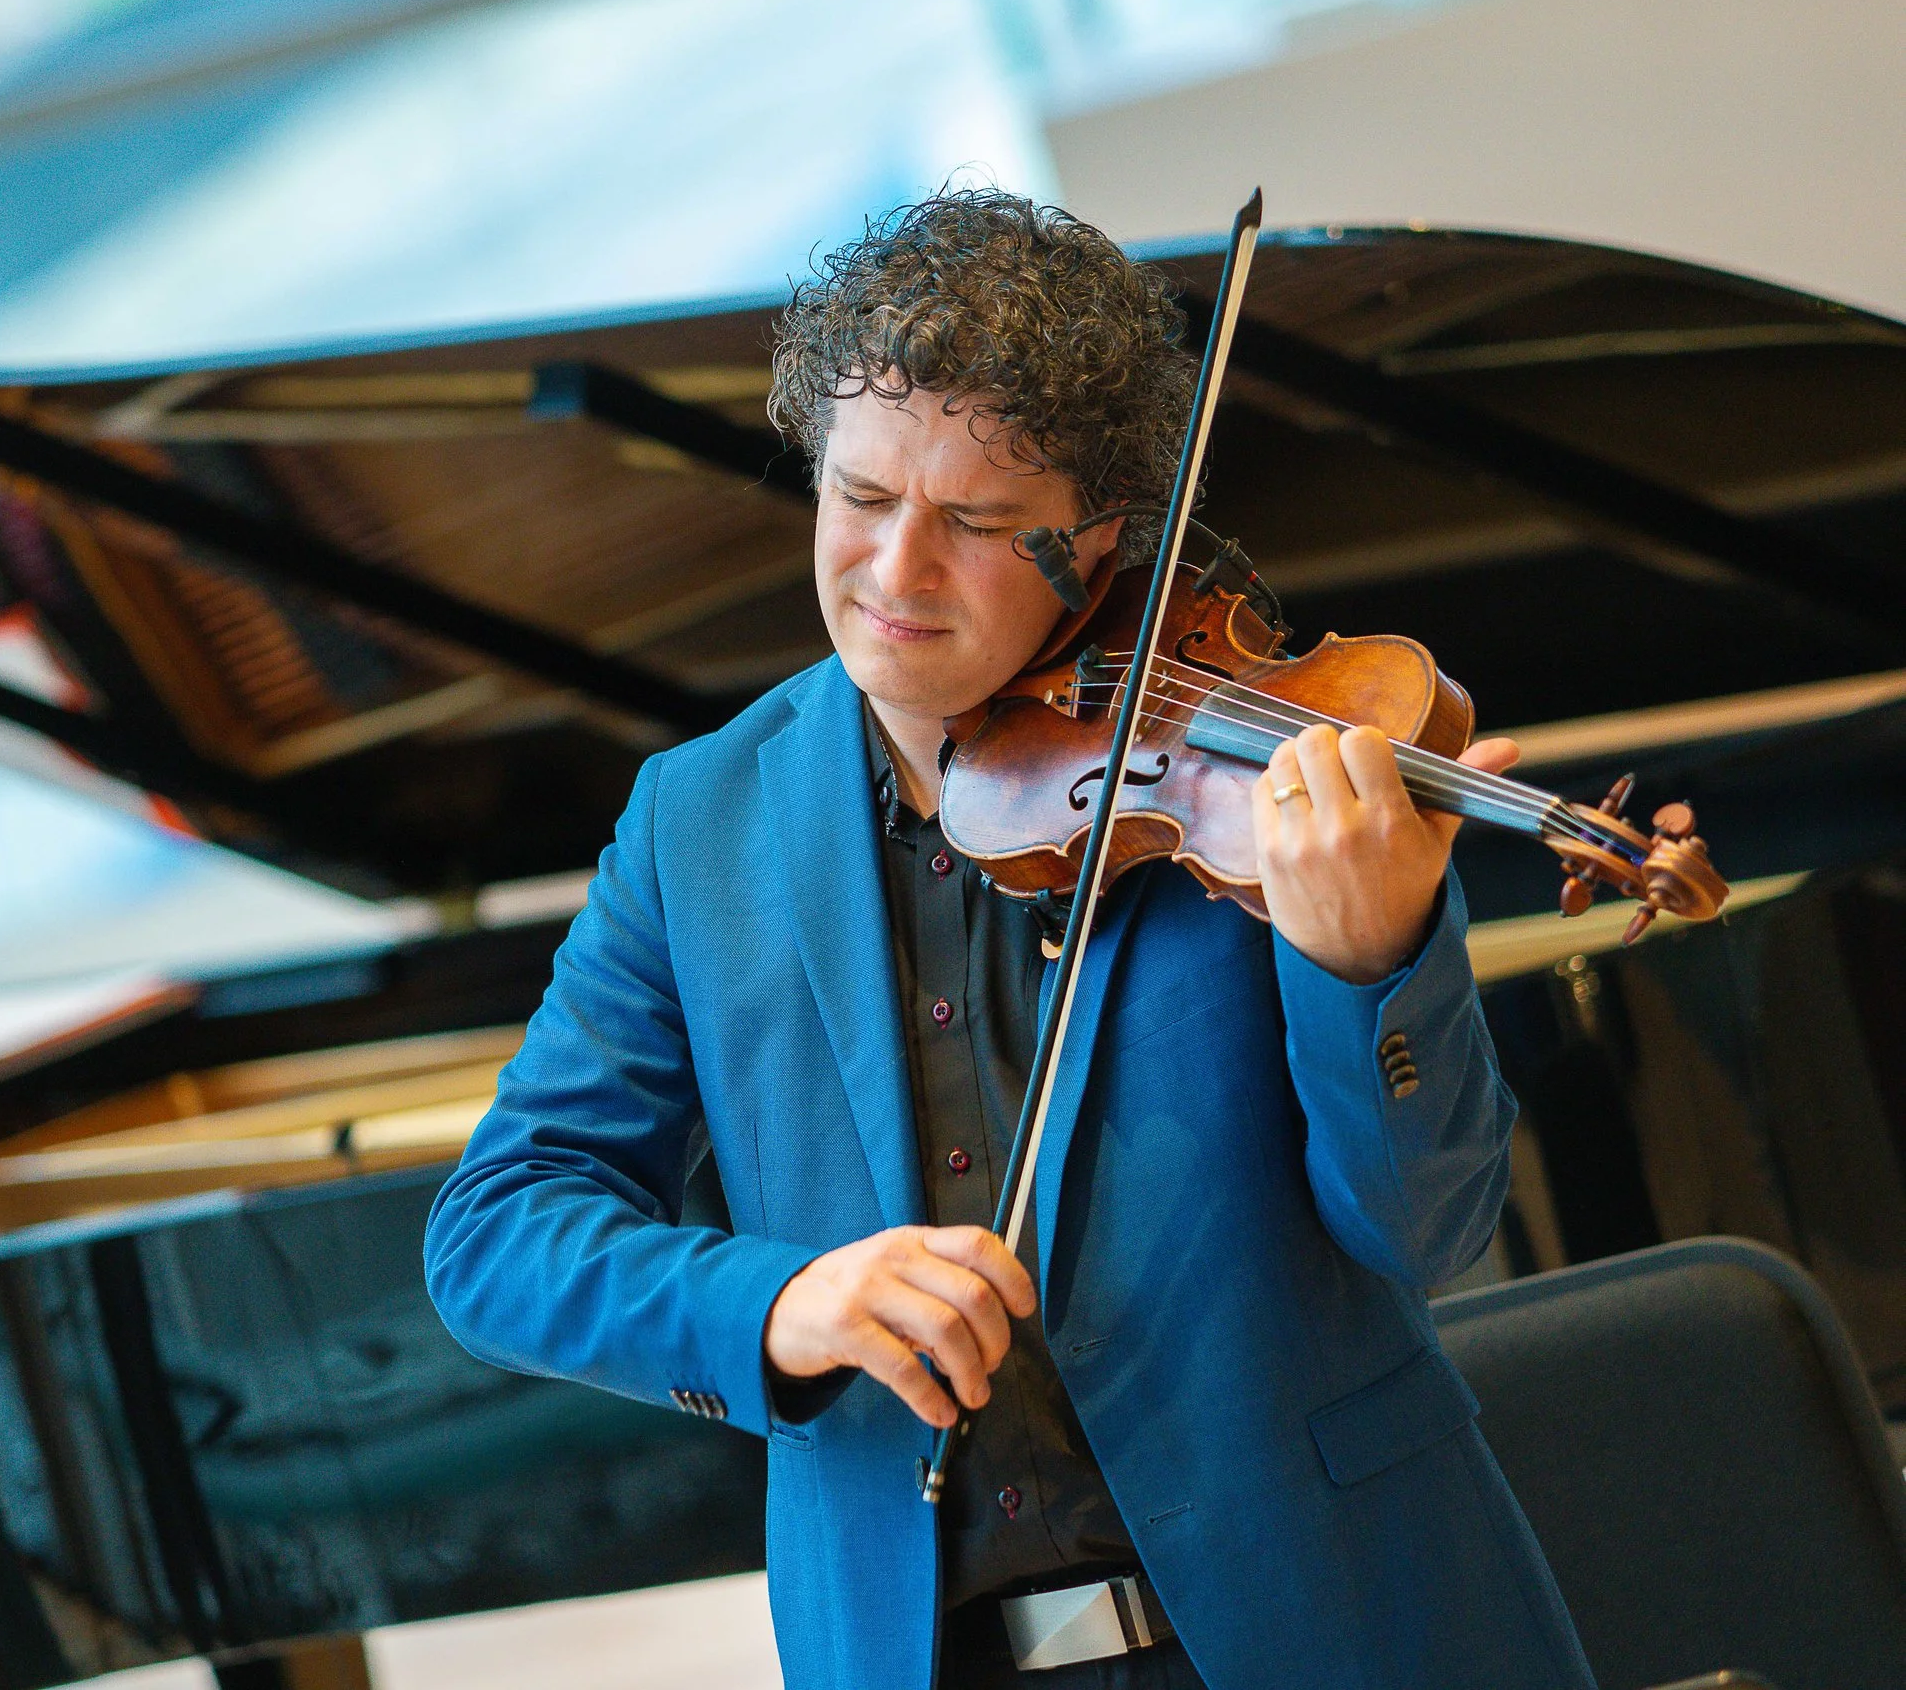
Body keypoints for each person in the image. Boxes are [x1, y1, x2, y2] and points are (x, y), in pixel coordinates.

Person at [424, 189, 1595, 1690]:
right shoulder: (700, 822)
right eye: (860, 496)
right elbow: (493, 1230)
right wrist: (785, 1300)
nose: (894, 574)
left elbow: (1426, 1230)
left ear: (1100, 535)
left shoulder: (1252, 777)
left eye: (974, 524)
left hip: (1341, 1629)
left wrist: (1371, 962)